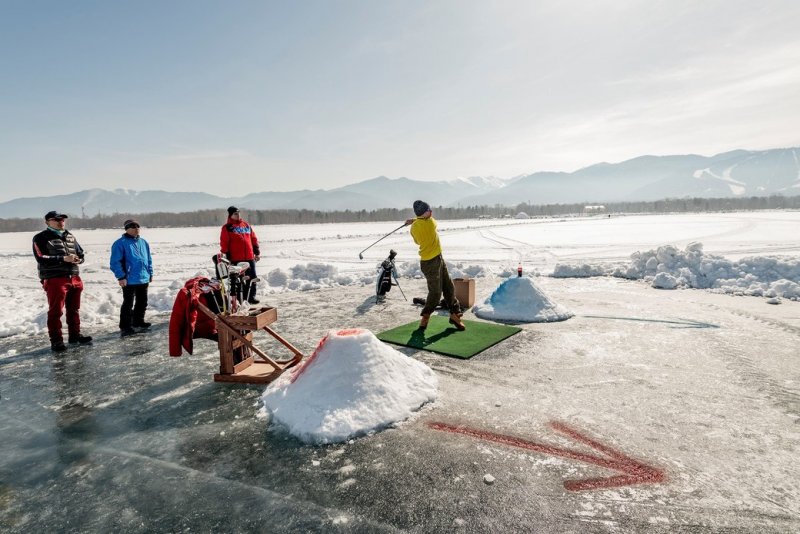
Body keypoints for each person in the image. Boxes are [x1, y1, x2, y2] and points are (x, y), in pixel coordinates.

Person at [32, 211, 92, 352]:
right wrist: (62, 258)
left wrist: (79, 260)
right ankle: (57, 341)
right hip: (55, 278)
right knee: (56, 311)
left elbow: (81, 253)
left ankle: (75, 336)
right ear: (47, 222)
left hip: (74, 277)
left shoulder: (70, 236)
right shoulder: (40, 237)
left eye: (62, 219)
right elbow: (40, 257)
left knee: (74, 309)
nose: (60, 221)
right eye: (56, 219)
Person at [406, 200, 465, 331]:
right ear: (423, 213)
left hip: (438, 259)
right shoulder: (431, 223)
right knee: (436, 292)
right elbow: (429, 221)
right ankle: (425, 316)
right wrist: (415, 220)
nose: (431, 212)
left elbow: (416, 240)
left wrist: (414, 221)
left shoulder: (414, 228)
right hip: (430, 263)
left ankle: (455, 314)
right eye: (428, 210)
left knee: (449, 287)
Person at [110, 219, 154, 337]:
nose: (136, 229)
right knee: (128, 303)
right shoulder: (120, 243)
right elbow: (115, 262)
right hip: (128, 279)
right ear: (127, 229)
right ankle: (125, 326)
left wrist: (150, 273)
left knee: (142, 301)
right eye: (133, 227)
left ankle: (138, 321)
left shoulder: (143, 242)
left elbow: (148, 259)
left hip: (143, 277)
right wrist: (121, 276)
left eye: (137, 226)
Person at [219, 206, 261, 304]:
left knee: (252, 278)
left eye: (238, 213)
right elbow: (224, 242)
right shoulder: (227, 227)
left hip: (249, 257)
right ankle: (239, 299)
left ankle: (250, 297)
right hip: (236, 258)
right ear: (230, 215)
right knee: (239, 280)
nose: (238, 215)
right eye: (235, 214)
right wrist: (226, 253)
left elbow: (253, 238)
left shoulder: (246, 225)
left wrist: (257, 251)